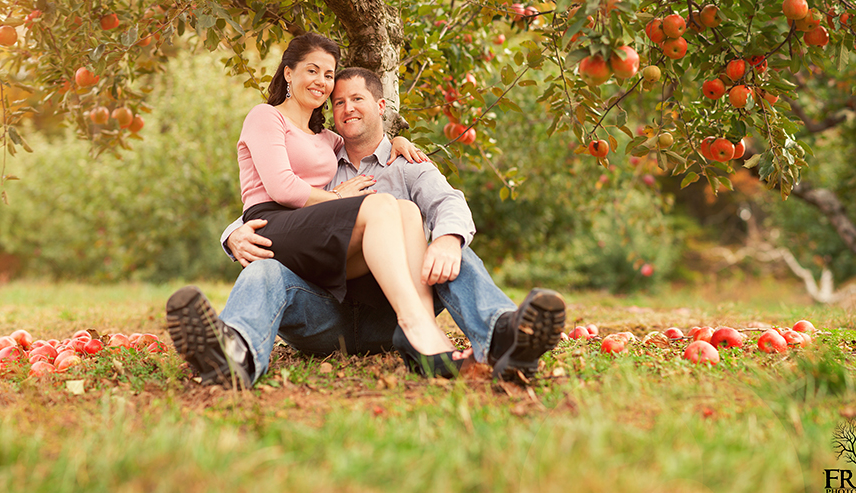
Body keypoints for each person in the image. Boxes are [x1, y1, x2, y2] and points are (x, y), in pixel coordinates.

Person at [167, 65, 567, 387]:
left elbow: (450, 203)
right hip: (322, 316)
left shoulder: (406, 163)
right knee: (267, 270)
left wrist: (446, 239)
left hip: (391, 316)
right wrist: (232, 232)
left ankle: (506, 337)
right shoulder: (319, 163)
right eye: (338, 102)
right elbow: (277, 207)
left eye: (357, 98)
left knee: (453, 252)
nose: (347, 108)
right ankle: (233, 353)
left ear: (381, 105)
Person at [220, 33, 468, 376]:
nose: (321, 81)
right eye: (312, 70)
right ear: (288, 73)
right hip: (273, 223)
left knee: (407, 210)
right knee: (380, 205)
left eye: (327, 74)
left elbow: (364, 138)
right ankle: (415, 326)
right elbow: (282, 188)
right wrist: (337, 198)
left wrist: (397, 139)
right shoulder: (266, 117)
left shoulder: (328, 139)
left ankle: (421, 332)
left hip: (311, 232)